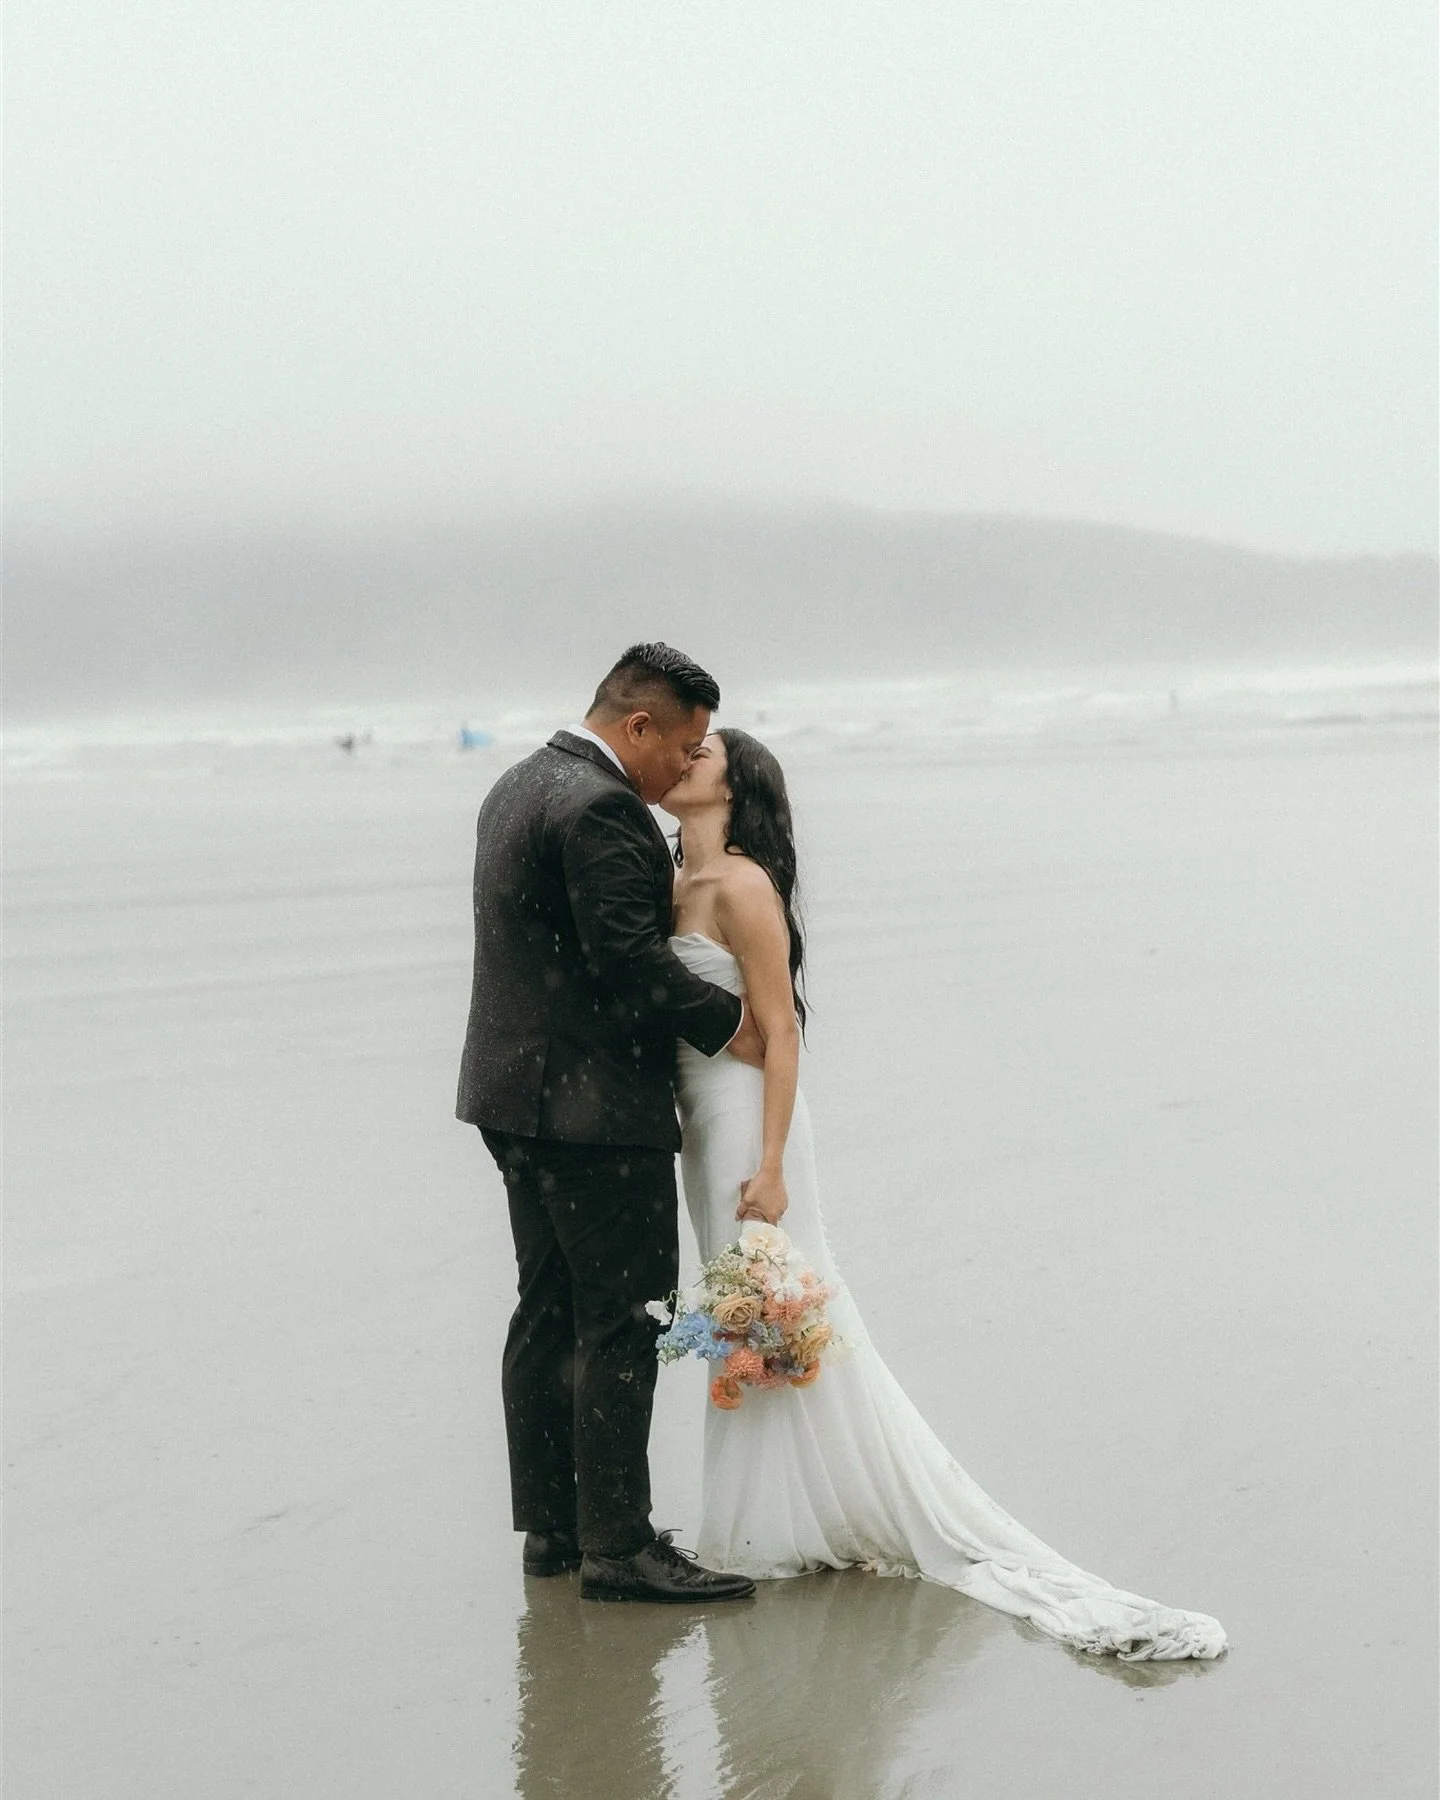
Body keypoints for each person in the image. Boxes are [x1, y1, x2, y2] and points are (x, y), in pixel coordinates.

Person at [661, 728, 1229, 1660]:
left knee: (774, 1310)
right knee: (749, 1319)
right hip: (699, 1121)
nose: (687, 758)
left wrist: (770, 1166)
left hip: (748, 1123)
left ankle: (795, 1515)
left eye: (706, 754)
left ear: (739, 786)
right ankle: (784, 1510)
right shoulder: (672, 881)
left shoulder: (744, 887)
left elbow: (783, 1033)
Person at [456, 643, 762, 1604]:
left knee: (546, 1313)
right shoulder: (601, 809)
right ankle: (620, 1547)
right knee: (624, 1320)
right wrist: (733, 1025)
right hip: (592, 1114)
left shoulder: (516, 783)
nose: (687, 764)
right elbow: (630, 966)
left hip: (510, 1098)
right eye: (685, 743)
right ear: (639, 725)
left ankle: (552, 1529)